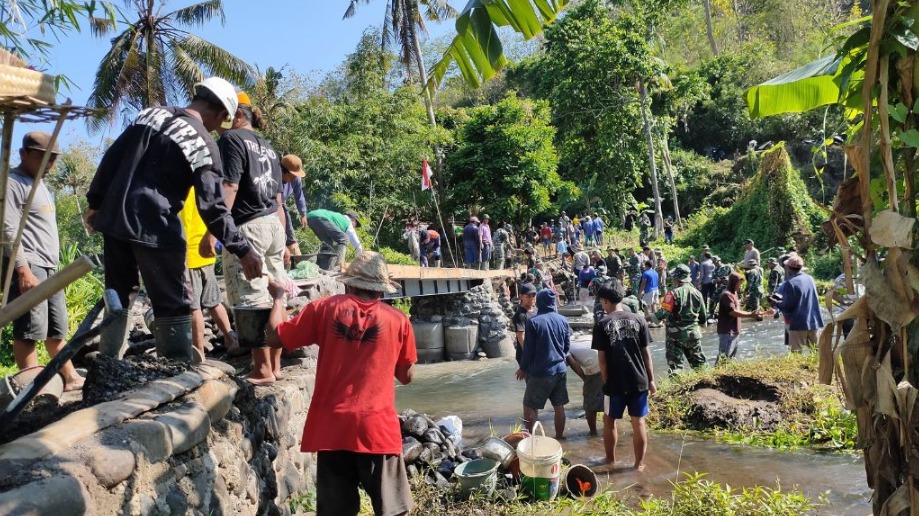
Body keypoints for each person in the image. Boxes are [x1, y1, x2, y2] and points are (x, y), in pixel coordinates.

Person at [85, 77, 263, 362]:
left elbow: (112, 157)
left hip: (116, 219)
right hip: (155, 225)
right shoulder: (203, 143)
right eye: (220, 123)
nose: (217, 129)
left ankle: (108, 364)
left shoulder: (149, 114)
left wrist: (95, 202)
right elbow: (213, 207)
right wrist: (242, 248)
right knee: (174, 301)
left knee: (119, 293)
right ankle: (177, 372)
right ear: (219, 113)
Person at [266, 252, 415, 516]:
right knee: (394, 509)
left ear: (348, 284)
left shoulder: (324, 308)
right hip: (376, 429)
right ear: (381, 289)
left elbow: (276, 337)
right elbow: (406, 376)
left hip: (331, 428)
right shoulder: (398, 321)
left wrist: (278, 298)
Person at [217, 91, 290, 384]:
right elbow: (278, 199)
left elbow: (230, 186)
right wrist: (284, 237)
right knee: (277, 294)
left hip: (248, 226)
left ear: (236, 114)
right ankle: (275, 367)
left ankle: (260, 370)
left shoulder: (231, 141)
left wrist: (217, 229)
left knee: (250, 296)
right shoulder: (269, 148)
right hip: (273, 224)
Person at [3, 132, 81, 390]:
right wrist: (23, 270)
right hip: (29, 265)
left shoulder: (40, 185)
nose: (48, 165)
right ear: (23, 154)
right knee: (30, 329)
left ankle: (70, 378)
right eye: (42, 158)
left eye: (52, 160)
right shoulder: (12, 182)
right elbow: (7, 230)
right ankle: (31, 387)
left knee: (55, 329)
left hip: (48, 265)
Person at [592, 281, 655, 469]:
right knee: (639, 422)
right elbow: (646, 354)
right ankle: (639, 465)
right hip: (639, 380)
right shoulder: (639, 320)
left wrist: (606, 380)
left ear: (604, 301)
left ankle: (610, 460)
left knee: (609, 420)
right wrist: (651, 380)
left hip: (615, 382)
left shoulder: (602, 324)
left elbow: (602, 360)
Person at [179, 189, 238, 361]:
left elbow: (183, 226)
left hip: (189, 256)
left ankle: (199, 354)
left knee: (193, 307)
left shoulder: (184, 194)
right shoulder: (203, 189)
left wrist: (180, 259)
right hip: (207, 253)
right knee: (214, 301)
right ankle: (230, 338)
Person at [516, 289, 571, 438]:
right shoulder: (563, 320)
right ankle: (559, 437)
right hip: (560, 369)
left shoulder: (533, 322)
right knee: (559, 406)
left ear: (539, 302)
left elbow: (528, 350)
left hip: (541, 371)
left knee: (529, 405)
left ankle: (531, 439)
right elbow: (567, 347)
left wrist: (522, 368)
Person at [657, 264, 707, 375]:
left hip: (675, 337)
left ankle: (677, 389)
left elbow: (662, 313)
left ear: (676, 278)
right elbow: (703, 317)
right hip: (693, 334)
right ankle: (708, 385)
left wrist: (647, 318)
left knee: (676, 367)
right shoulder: (697, 293)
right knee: (700, 365)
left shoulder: (672, 294)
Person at [773, 255, 824, 352]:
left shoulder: (790, 283)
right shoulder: (810, 279)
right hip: (814, 322)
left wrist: (776, 303)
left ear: (788, 268)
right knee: (818, 352)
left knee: (796, 353)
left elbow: (788, 306)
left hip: (797, 324)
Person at [717, 272, 766, 362]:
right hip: (727, 332)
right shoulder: (727, 295)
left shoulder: (733, 294)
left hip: (734, 331)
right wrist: (751, 314)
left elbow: (736, 309)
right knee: (723, 358)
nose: (740, 286)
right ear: (733, 283)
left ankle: (727, 375)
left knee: (730, 358)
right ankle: (716, 375)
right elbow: (732, 312)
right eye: (739, 284)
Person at [567, 345, 603, 437]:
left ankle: (593, 432)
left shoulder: (563, 345)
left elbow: (570, 361)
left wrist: (585, 379)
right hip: (604, 358)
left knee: (589, 402)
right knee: (607, 398)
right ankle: (609, 429)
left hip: (595, 363)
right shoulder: (574, 342)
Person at [280, 154, 308, 256]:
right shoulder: (273, 176)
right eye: (292, 175)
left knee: (290, 238)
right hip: (269, 206)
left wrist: (303, 214)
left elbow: (299, 196)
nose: (294, 178)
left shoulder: (296, 179)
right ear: (284, 172)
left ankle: (299, 262)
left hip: (282, 205)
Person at [513, 283, 537, 366]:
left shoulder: (537, 311)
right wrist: (529, 355)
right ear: (521, 297)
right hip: (526, 355)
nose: (531, 298)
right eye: (528, 296)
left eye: (533, 295)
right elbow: (521, 337)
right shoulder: (520, 315)